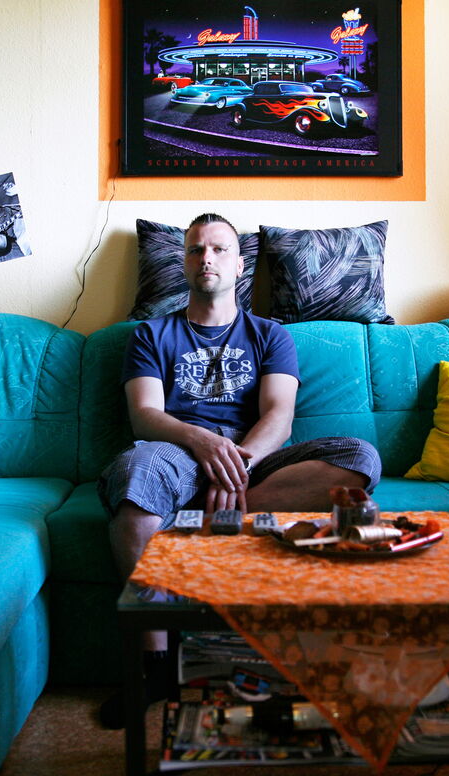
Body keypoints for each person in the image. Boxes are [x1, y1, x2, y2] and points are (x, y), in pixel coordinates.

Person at [95, 212, 382, 728]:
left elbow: (279, 416)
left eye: (219, 249)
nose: (206, 258)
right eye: (195, 249)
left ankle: (199, 510)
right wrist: (202, 441)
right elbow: (145, 415)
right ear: (183, 263)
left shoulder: (271, 335)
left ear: (240, 265)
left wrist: (235, 465)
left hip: (256, 458)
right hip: (176, 453)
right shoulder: (150, 334)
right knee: (136, 479)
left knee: (359, 460)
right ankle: (153, 664)